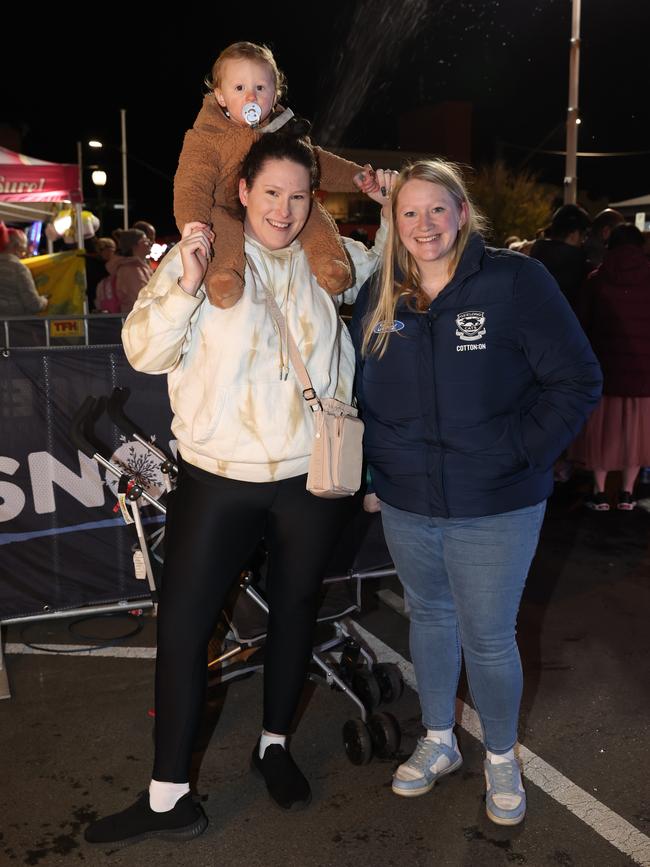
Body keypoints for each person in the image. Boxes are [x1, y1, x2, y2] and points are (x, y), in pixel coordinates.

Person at [84, 132, 395, 846]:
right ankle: (168, 796)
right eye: (272, 192)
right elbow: (145, 351)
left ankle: (274, 746)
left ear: (313, 198)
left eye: (299, 194)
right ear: (244, 190)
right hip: (217, 479)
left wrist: (384, 206)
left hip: (312, 479)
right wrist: (185, 282)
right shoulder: (205, 251)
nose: (285, 209)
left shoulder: (332, 260)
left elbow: (393, 261)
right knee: (185, 631)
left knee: (293, 612)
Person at [351, 159, 602, 826]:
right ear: (394, 222)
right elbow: (362, 400)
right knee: (428, 617)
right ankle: (438, 738)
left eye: (438, 209)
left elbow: (577, 379)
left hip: (497, 501)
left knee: (489, 637)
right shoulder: (379, 292)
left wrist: (518, 453)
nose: (424, 224)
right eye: (409, 212)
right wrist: (379, 476)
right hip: (409, 500)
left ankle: (498, 754)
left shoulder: (517, 282)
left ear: (462, 213)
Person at [174, 41, 378, 307]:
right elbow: (192, 184)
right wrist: (193, 222)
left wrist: (355, 176)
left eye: (260, 88)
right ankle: (225, 278)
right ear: (221, 96)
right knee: (221, 229)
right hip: (226, 208)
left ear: (276, 93)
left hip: (278, 209)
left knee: (310, 211)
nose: (251, 97)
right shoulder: (207, 138)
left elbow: (315, 162)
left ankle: (331, 264)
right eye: (239, 88)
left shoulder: (285, 131)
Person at [569, 223, 650, 510]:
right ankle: (628, 493)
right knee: (637, 435)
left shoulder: (596, 280)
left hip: (605, 369)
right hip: (644, 373)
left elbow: (580, 326)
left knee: (603, 434)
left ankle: (600, 493)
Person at [529, 203, 592, 310]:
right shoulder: (581, 269)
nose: (583, 242)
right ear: (575, 235)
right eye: (583, 236)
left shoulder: (532, 261)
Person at [0, 228, 48, 316]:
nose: (24, 255)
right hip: (17, 325)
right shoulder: (18, 269)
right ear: (17, 247)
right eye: (23, 250)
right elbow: (34, 305)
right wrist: (44, 300)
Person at [106, 228, 153, 315]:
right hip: (138, 319)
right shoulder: (130, 269)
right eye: (145, 240)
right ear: (134, 245)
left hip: (141, 317)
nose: (150, 243)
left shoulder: (138, 267)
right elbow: (140, 298)